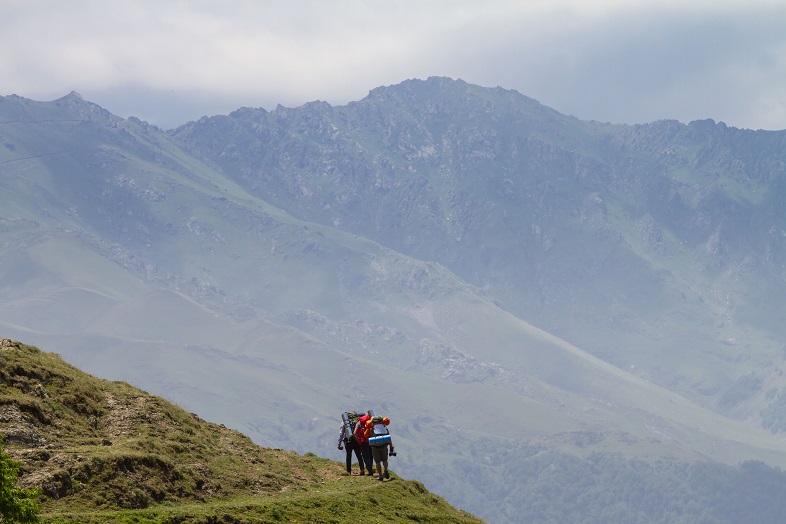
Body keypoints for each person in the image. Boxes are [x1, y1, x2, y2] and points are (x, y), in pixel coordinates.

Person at [368, 416, 394, 481]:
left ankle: (380, 476)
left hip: (375, 447)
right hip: (384, 446)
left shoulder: (371, 429)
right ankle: (385, 470)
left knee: (377, 462)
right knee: (385, 460)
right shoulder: (385, 428)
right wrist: (391, 447)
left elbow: (366, 436)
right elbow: (389, 438)